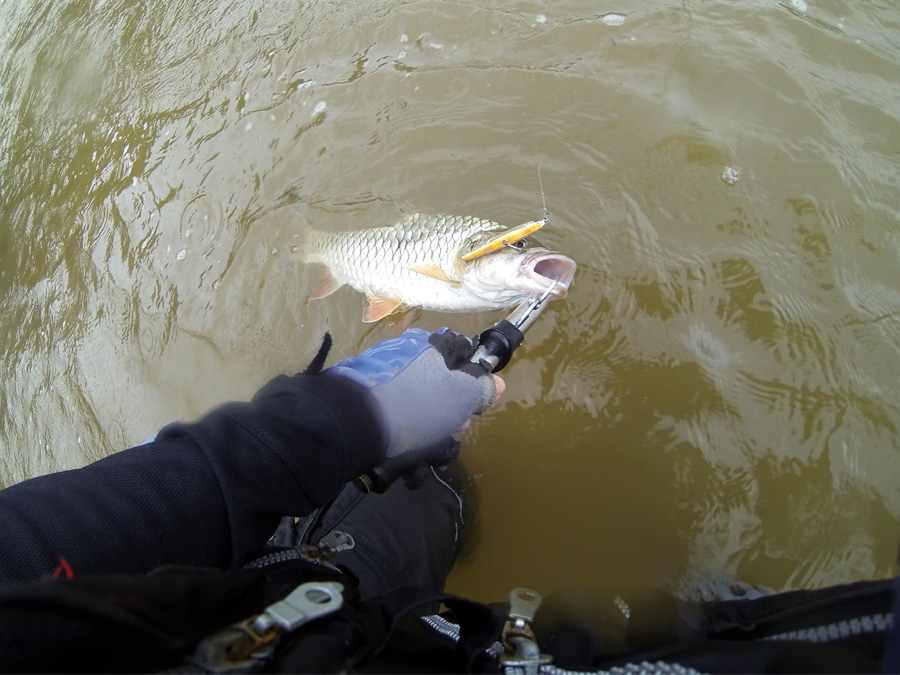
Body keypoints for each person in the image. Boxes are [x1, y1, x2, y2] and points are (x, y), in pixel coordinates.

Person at [0, 328, 895, 674]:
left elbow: (64, 536)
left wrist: (346, 416)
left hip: (285, 603)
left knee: (401, 501)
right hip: (364, 642)